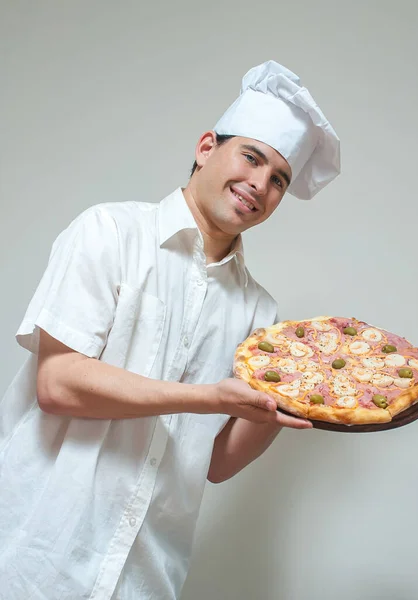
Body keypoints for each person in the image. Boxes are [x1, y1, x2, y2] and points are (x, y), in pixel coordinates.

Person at [0, 60, 340, 599]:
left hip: (146, 576)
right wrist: (205, 398)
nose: (260, 184)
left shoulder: (261, 315)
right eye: (251, 157)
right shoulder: (109, 233)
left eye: (279, 180)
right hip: (36, 559)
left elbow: (217, 464)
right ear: (207, 146)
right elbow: (58, 385)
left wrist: (296, 397)